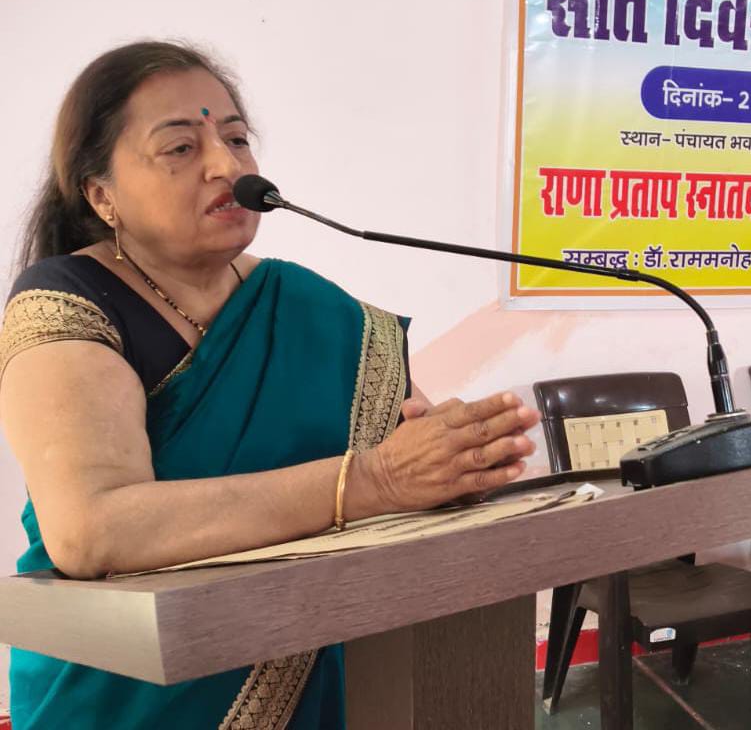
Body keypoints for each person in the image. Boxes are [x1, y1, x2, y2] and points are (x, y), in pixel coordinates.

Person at [0, 41, 540, 730]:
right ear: (101, 194)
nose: (227, 166)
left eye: (235, 139)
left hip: (319, 660)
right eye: (180, 148)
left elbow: (409, 451)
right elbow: (91, 530)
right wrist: (372, 481)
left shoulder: (308, 307)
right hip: (125, 687)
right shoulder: (65, 304)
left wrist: (456, 466)